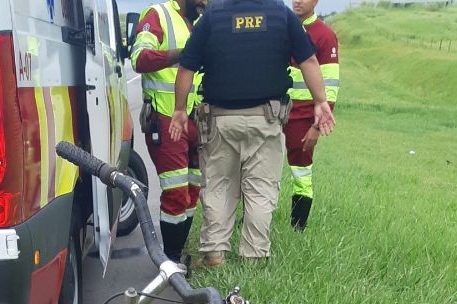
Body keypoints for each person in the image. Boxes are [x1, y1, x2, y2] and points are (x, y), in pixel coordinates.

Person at [169, 0, 334, 265]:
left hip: (220, 121)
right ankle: (254, 257)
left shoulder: (213, 14)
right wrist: (321, 101)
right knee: (260, 189)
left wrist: (179, 109)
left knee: (219, 187)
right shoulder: (280, 13)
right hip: (265, 120)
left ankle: (214, 254)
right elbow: (309, 60)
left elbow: (186, 67)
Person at [131, 0, 208, 263]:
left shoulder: (200, 22)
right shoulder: (158, 15)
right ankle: (171, 261)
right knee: (175, 192)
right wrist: (184, 53)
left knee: (192, 190)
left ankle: (179, 254)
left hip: (196, 119)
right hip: (165, 120)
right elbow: (139, 58)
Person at [285, 0, 339, 229]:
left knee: (301, 173)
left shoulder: (325, 35)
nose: (298, 0)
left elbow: (331, 86)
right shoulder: (280, 27)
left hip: (304, 117)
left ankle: (297, 228)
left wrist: (317, 127)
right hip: (271, 111)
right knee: (257, 171)